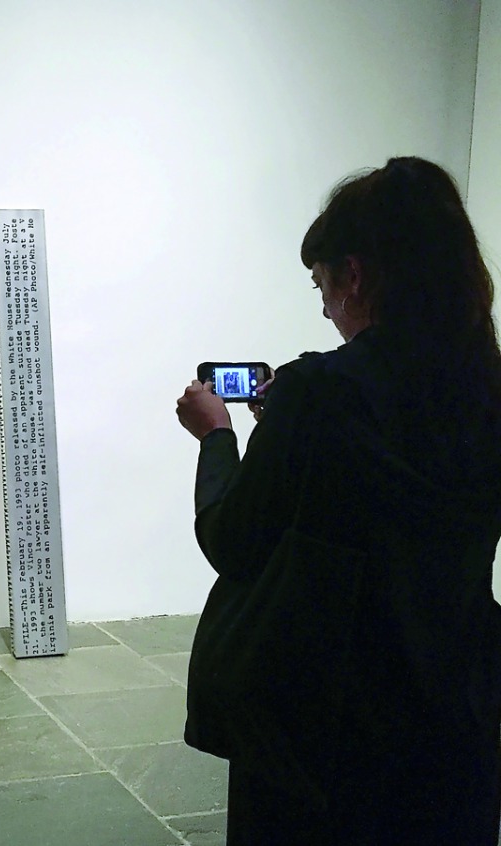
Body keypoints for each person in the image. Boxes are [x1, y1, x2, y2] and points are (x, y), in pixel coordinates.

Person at [175, 157, 501, 844]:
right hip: (457, 713)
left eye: (321, 284)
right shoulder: (487, 390)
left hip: (325, 734)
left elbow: (232, 539)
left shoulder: (320, 391)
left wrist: (218, 437)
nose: (324, 306)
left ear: (355, 275)